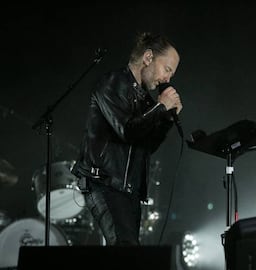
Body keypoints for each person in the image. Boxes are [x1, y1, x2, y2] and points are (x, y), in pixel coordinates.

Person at [71, 32, 182, 246]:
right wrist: (160, 107)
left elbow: (148, 146)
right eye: (167, 69)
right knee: (126, 250)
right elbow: (127, 130)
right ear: (148, 57)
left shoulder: (144, 99)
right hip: (104, 183)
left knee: (129, 255)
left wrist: (166, 118)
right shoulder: (112, 83)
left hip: (128, 190)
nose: (168, 79)